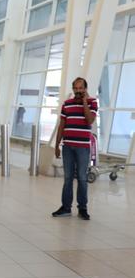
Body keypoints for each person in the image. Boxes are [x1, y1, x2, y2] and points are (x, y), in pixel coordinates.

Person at [52, 77, 97, 220]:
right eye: (75, 88)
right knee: (67, 178)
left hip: (83, 147)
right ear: (73, 89)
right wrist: (57, 144)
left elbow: (90, 120)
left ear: (85, 89)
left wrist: (84, 102)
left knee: (83, 178)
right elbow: (62, 125)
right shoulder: (67, 104)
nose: (78, 91)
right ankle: (65, 208)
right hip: (67, 147)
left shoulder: (92, 102)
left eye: (80, 88)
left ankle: (82, 208)